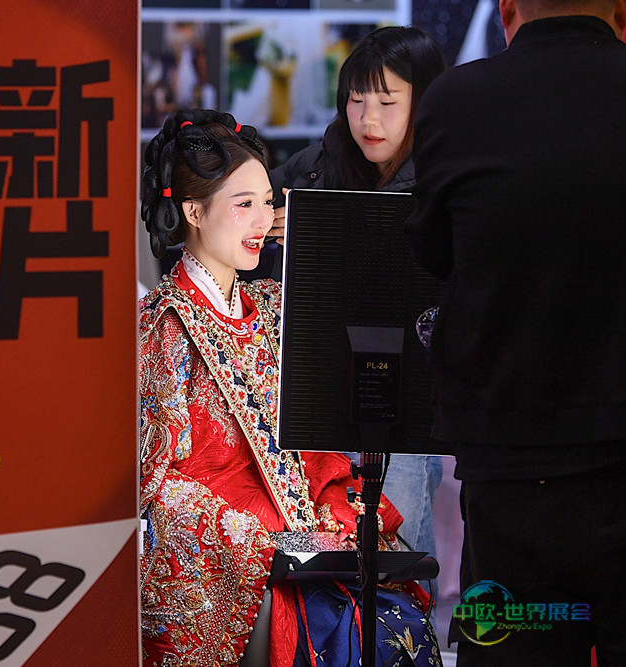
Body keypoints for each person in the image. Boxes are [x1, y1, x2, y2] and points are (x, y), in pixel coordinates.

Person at [139, 108, 440, 667]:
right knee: (343, 632)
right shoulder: (163, 326)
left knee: (392, 614)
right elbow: (157, 482)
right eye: (243, 204)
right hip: (232, 548)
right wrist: (261, 540)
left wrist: (327, 513)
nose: (262, 220)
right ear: (194, 212)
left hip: (299, 528)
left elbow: (312, 440)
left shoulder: (276, 307)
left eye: (267, 202)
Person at [404, 0, 626, 663]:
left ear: (506, 14)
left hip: (507, 476)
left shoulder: (455, 103)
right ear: (621, 14)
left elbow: (432, 254)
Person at [269, 26, 448, 592]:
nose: (368, 119)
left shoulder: (447, 176)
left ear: (425, 100)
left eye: (388, 102)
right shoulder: (316, 164)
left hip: (406, 400)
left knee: (399, 568)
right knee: (321, 567)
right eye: (355, 99)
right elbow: (243, 229)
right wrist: (262, 228)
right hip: (314, 396)